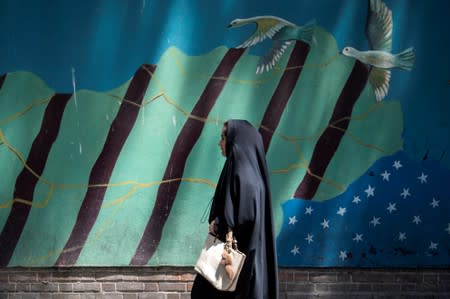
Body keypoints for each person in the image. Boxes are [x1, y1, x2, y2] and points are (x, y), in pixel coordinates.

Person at [191, 119, 279, 299]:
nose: (220, 143)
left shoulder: (244, 174)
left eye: (224, 137)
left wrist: (221, 223)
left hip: (238, 259)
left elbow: (246, 215)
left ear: (236, 141)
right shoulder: (243, 169)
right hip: (241, 258)